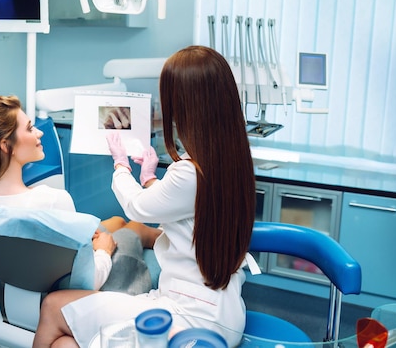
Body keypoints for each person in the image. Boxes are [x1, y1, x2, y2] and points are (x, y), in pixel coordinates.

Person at [32, 45, 256, 348]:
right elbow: (180, 203)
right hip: (224, 312)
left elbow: (138, 208)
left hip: (190, 318)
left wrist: (121, 165)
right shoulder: (232, 158)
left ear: (184, 105)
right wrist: (149, 178)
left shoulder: (191, 171)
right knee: (64, 345)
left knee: (52, 306)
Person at [0, 95, 161, 292]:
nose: (39, 133)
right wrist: (103, 251)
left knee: (116, 221)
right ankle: (184, 245)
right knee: (134, 227)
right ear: (5, 145)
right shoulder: (52, 200)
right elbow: (86, 280)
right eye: (30, 128)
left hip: (22, 285)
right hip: (85, 287)